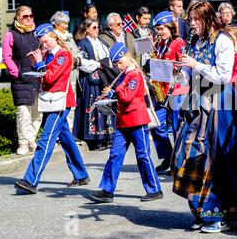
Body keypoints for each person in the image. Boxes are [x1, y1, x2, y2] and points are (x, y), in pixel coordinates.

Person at [171, 1, 237, 233]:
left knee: (217, 160)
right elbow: (190, 74)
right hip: (197, 101)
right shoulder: (195, 41)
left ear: (207, 18)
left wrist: (196, 65)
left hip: (221, 103)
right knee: (188, 155)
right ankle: (203, 212)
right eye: (190, 20)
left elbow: (223, 75)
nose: (192, 24)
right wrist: (181, 71)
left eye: (196, 19)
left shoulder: (222, 39)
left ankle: (218, 214)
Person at [14, 24, 90, 195]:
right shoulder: (48, 54)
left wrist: (40, 63)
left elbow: (50, 77)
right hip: (50, 101)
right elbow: (43, 76)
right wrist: (36, 63)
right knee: (66, 139)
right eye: (42, 42)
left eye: (46, 41)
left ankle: (31, 180)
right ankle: (82, 174)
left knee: (45, 140)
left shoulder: (63, 54)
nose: (44, 45)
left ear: (55, 37)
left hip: (60, 103)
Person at [89, 42, 163, 203]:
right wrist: (106, 97)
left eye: (120, 62)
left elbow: (126, 96)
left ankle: (155, 189)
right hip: (123, 122)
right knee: (115, 155)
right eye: (116, 64)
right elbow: (119, 94)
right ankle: (107, 190)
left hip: (137, 121)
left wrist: (112, 92)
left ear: (128, 57)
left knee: (143, 156)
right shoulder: (123, 75)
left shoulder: (135, 74)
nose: (118, 66)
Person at [142, 11, 186, 175]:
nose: (159, 32)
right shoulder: (159, 44)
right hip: (160, 90)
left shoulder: (178, 43)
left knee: (176, 128)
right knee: (156, 125)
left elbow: (183, 65)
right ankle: (168, 157)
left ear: (169, 27)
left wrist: (172, 68)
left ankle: (179, 163)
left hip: (176, 90)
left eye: (162, 29)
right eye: (158, 29)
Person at [1, 5, 42, 155]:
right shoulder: (10, 35)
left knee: (37, 113)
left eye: (31, 16)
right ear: (17, 17)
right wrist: (16, 72)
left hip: (37, 78)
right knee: (23, 112)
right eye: (25, 16)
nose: (29, 19)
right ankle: (23, 143)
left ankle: (32, 139)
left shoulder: (37, 33)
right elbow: (6, 57)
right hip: (21, 79)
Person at [74, 19, 115, 151]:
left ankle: (107, 136)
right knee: (93, 106)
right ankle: (94, 139)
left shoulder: (102, 43)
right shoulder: (82, 44)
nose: (97, 30)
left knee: (105, 106)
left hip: (103, 80)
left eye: (98, 27)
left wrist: (106, 64)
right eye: (94, 27)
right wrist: (99, 64)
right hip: (90, 81)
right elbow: (82, 63)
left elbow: (110, 58)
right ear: (86, 29)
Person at [50, 11, 81, 131]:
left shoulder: (68, 36)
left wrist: (77, 59)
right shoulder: (54, 37)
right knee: (62, 104)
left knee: (71, 104)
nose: (67, 26)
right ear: (57, 24)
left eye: (67, 23)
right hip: (62, 76)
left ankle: (70, 130)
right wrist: (73, 61)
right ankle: (61, 131)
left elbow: (76, 53)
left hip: (73, 74)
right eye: (64, 23)